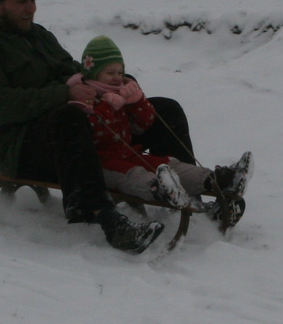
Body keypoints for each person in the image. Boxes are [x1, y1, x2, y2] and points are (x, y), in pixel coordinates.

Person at [0, 0, 233, 253]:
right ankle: (107, 220)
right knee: (69, 118)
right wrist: (65, 94)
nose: (31, 8)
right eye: (22, 1)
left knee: (164, 108)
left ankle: (190, 194)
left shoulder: (38, 36)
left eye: (34, 0)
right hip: (20, 145)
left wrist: (115, 84)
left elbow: (77, 71)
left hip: (75, 126)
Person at [68, 35, 248, 227]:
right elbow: (95, 134)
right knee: (135, 175)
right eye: (110, 73)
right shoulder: (85, 98)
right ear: (94, 74)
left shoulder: (121, 92)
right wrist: (107, 107)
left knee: (168, 164)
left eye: (120, 72)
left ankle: (217, 179)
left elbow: (143, 124)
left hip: (130, 153)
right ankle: (162, 189)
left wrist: (137, 101)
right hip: (105, 163)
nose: (117, 78)